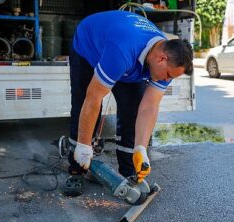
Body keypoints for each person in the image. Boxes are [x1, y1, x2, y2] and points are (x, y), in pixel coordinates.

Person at [64, 10, 193, 196]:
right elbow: (93, 98)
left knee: (132, 111)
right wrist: (84, 145)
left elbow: (149, 106)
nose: (167, 79)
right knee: (83, 102)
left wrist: (141, 148)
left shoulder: (164, 60)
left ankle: (129, 172)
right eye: (169, 75)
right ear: (162, 58)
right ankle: (77, 167)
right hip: (88, 48)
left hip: (128, 58)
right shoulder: (122, 49)